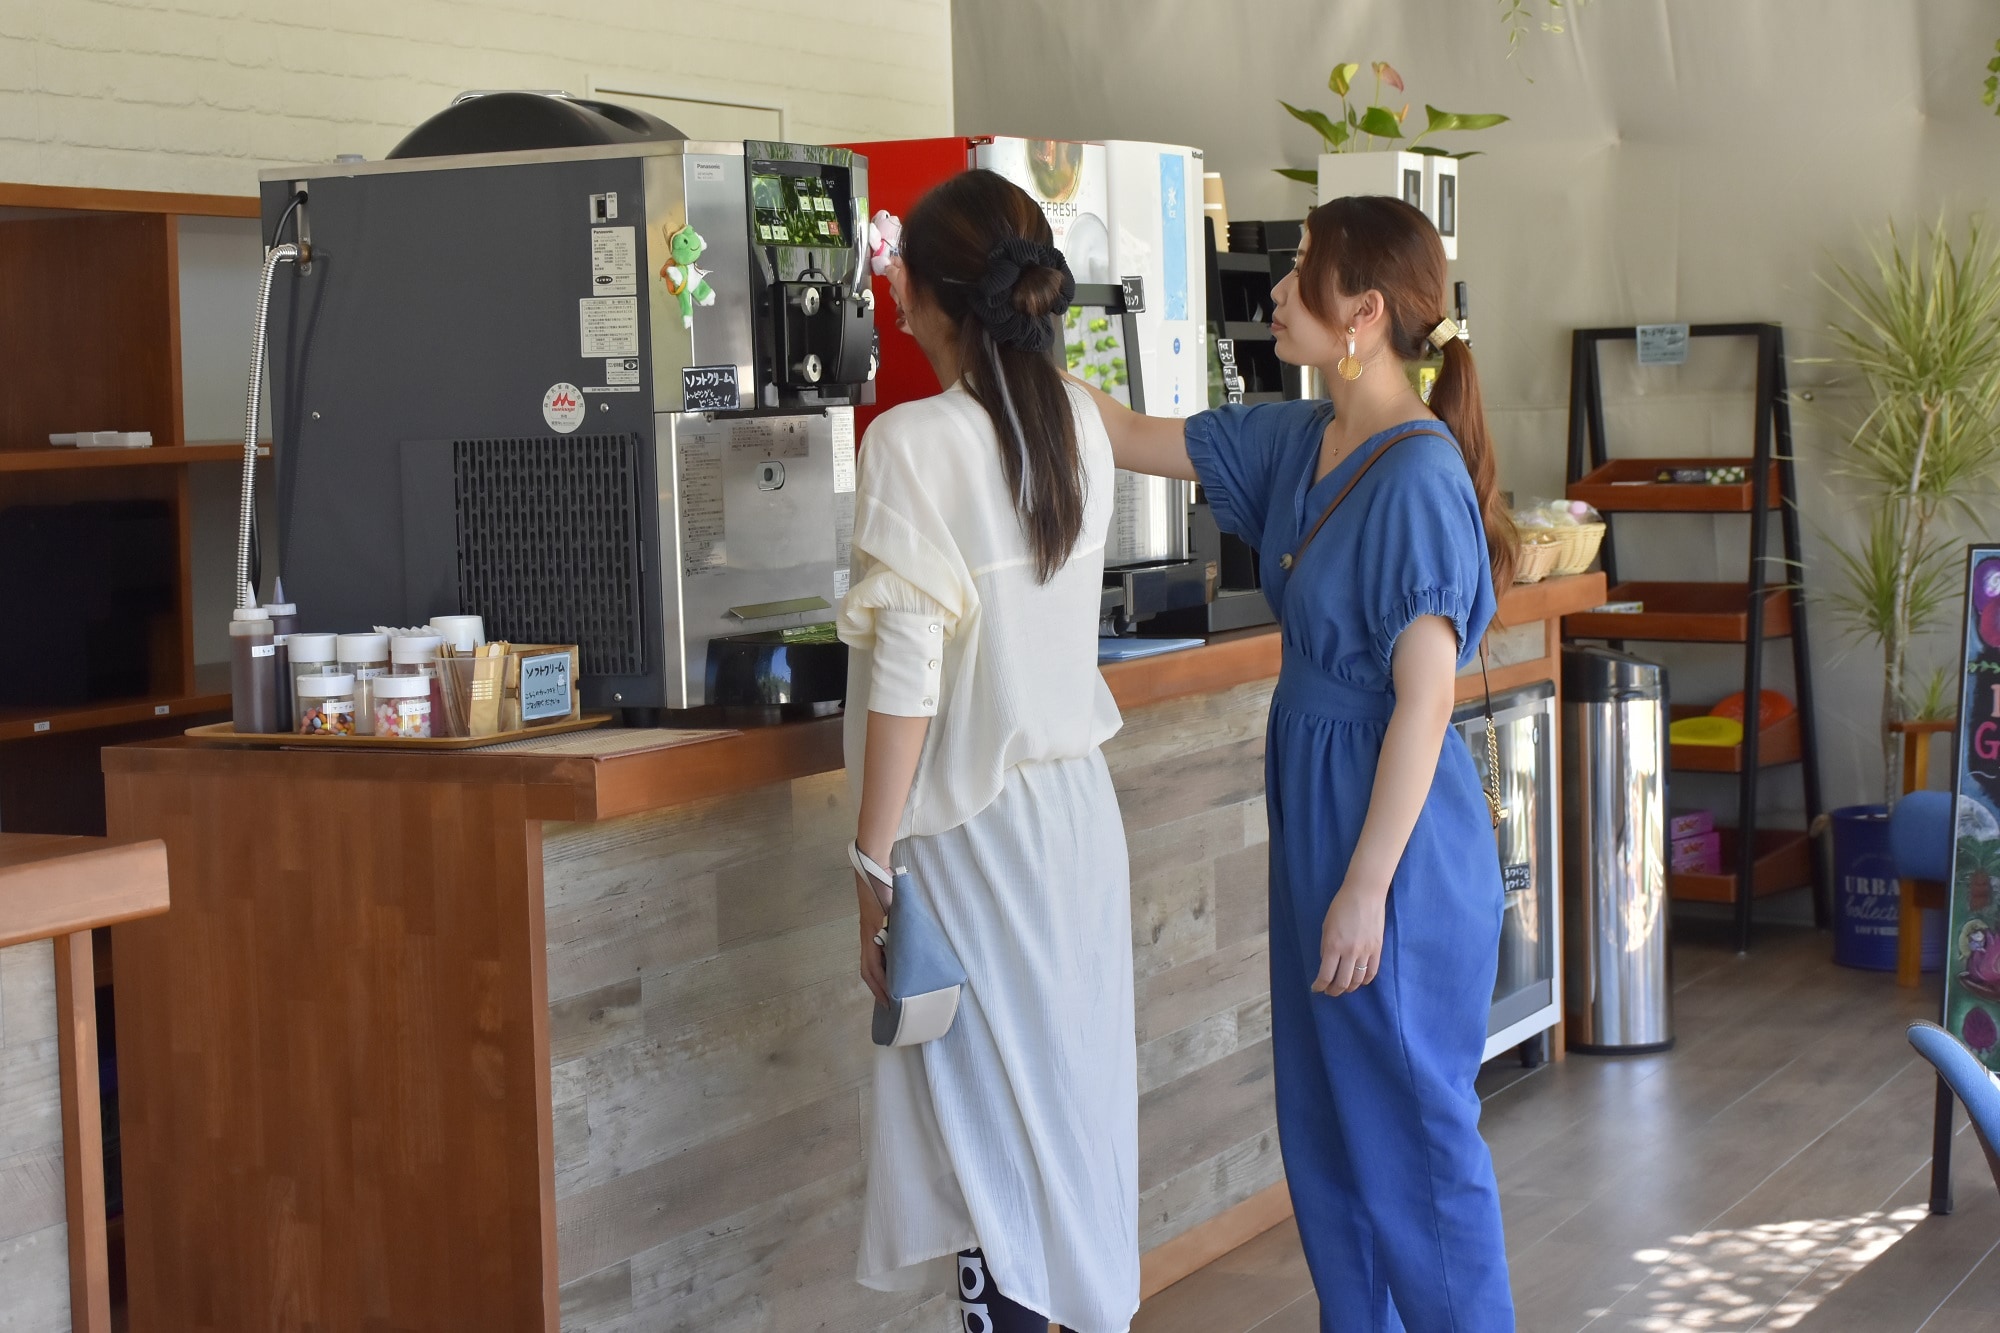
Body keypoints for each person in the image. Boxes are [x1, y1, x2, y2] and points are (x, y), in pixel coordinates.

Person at [1079, 194, 1518, 1332]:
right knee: (1329, 1132)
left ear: (1361, 313)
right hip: (1320, 812)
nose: (1276, 290)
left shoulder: (1415, 476)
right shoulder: (1300, 438)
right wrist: (1009, 352)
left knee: (1414, 1142)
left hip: (1393, 843)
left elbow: (1423, 700)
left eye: (1303, 270)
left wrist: (1366, 886)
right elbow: (1124, 432)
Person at [840, 168, 1138, 1333]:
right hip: (1074, 819)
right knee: (1062, 1126)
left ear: (920, 294)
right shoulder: (1078, 423)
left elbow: (907, 677)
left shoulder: (914, 443)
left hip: (970, 837)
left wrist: (869, 864)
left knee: (985, 1145)